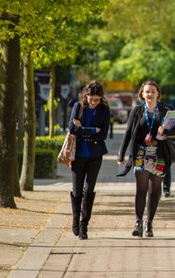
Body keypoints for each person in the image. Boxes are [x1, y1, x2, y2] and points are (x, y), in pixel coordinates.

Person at [117, 81, 175, 237]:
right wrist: (121, 154)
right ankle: (138, 222)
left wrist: (165, 130)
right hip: (141, 154)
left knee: (155, 190)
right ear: (142, 94)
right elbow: (128, 132)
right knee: (141, 189)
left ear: (158, 94)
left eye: (153, 92)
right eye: (147, 92)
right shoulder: (137, 111)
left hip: (159, 153)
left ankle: (149, 224)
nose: (150, 94)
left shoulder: (165, 110)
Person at [68, 80, 110, 240]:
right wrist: (92, 130)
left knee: (89, 190)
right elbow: (72, 128)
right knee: (77, 190)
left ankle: (84, 225)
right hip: (78, 155)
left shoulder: (104, 110)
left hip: (95, 155)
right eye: (91, 99)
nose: (93, 102)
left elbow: (104, 134)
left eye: (97, 100)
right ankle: (75, 220)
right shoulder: (78, 107)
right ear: (86, 96)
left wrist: (83, 129)